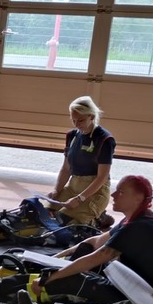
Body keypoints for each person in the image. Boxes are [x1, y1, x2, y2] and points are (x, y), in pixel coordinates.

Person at [26, 175, 153, 304]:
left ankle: (48, 298)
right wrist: (54, 258)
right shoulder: (144, 217)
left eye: (120, 192)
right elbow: (96, 241)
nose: (113, 195)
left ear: (137, 198)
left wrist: (51, 278)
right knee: (84, 251)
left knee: (74, 280)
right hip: (140, 284)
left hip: (147, 300)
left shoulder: (138, 227)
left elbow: (96, 258)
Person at [50, 96, 114, 227]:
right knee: (45, 212)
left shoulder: (104, 139)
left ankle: (96, 218)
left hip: (95, 190)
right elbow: (66, 169)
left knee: (64, 221)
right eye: (73, 120)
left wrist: (80, 199)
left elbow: (102, 177)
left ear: (91, 116)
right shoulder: (72, 135)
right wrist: (57, 190)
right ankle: (92, 214)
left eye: (81, 120)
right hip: (73, 186)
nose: (76, 124)